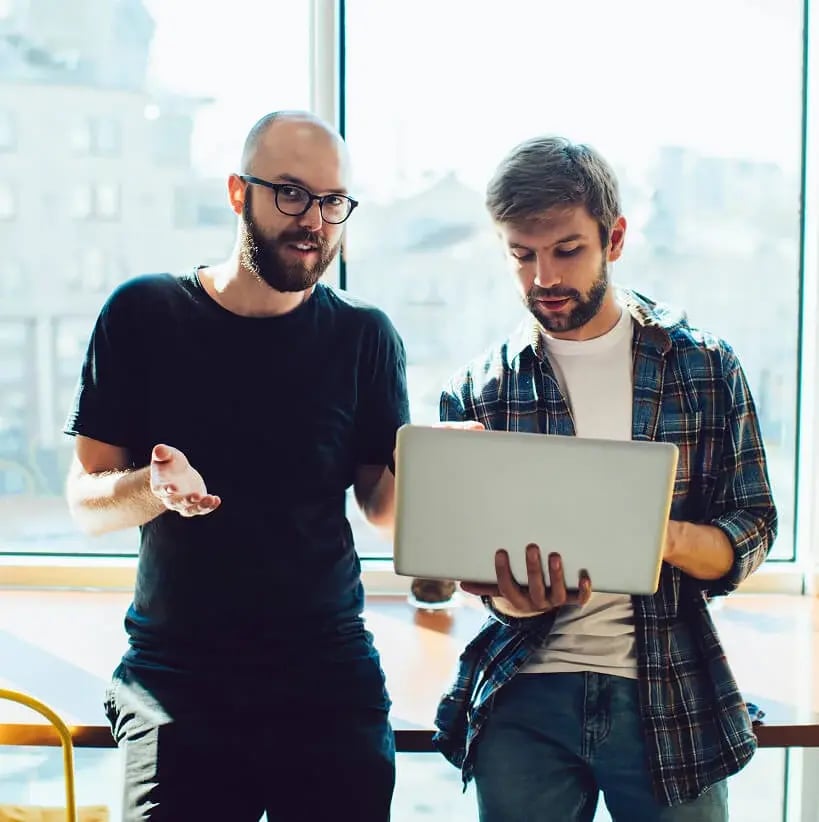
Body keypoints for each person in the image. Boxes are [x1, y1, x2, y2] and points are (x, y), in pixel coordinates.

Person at [64, 110, 409, 821]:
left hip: (325, 670)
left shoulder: (363, 336)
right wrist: (151, 488)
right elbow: (84, 499)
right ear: (235, 192)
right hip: (176, 671)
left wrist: (437, 466)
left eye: (331, 201)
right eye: (289, 192)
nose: (313, 219)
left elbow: (382, 505)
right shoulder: (143, 313)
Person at [430, 136, 777, 821]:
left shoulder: (701, 365)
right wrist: (511, 601)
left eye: (565, 250)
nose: (541, 279)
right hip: (523, 694)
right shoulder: (479, 389)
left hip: (669, 690)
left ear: (613, 239)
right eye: (520, 255)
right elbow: (459, 568)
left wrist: (660, 535)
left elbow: (753, 527)